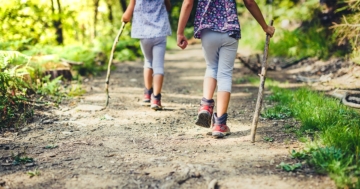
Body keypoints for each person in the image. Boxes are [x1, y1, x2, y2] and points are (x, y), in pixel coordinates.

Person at [177, 0, 275, 138]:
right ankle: (219, 124)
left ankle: (206, 105)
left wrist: (180, 32)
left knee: (211, 67)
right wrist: (265, 27)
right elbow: (249, 2)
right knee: (225, 74)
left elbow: (188, 3)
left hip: (208, 30)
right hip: (230, 31)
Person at [122, 0, 172, 110]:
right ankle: (156, 98)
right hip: (160, 32)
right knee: (158, 66)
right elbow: (168, 7)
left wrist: (125, 17)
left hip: (144, 33)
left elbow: (129, 11)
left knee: (148, 62)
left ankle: (147, 93)